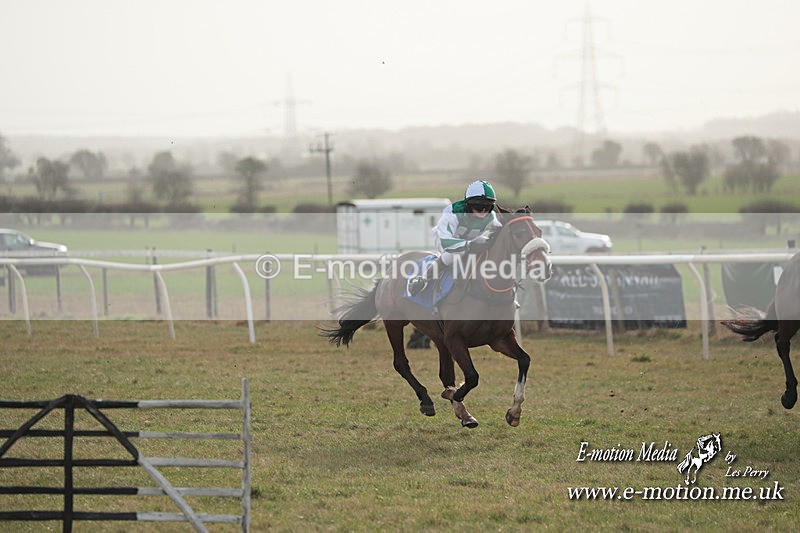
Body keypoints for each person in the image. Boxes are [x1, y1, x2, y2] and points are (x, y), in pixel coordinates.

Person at [407, 179, 502, 297]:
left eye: (488, 206)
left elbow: (502, 233)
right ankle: (424, 279)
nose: (483, 210)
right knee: (458, 253)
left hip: (470, 241)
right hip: (445, 240)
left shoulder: (490, 217)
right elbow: (446, 241)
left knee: (487, 243)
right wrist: (468, 245)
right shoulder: (453, 212)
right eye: (479, 206)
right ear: (469, 204)